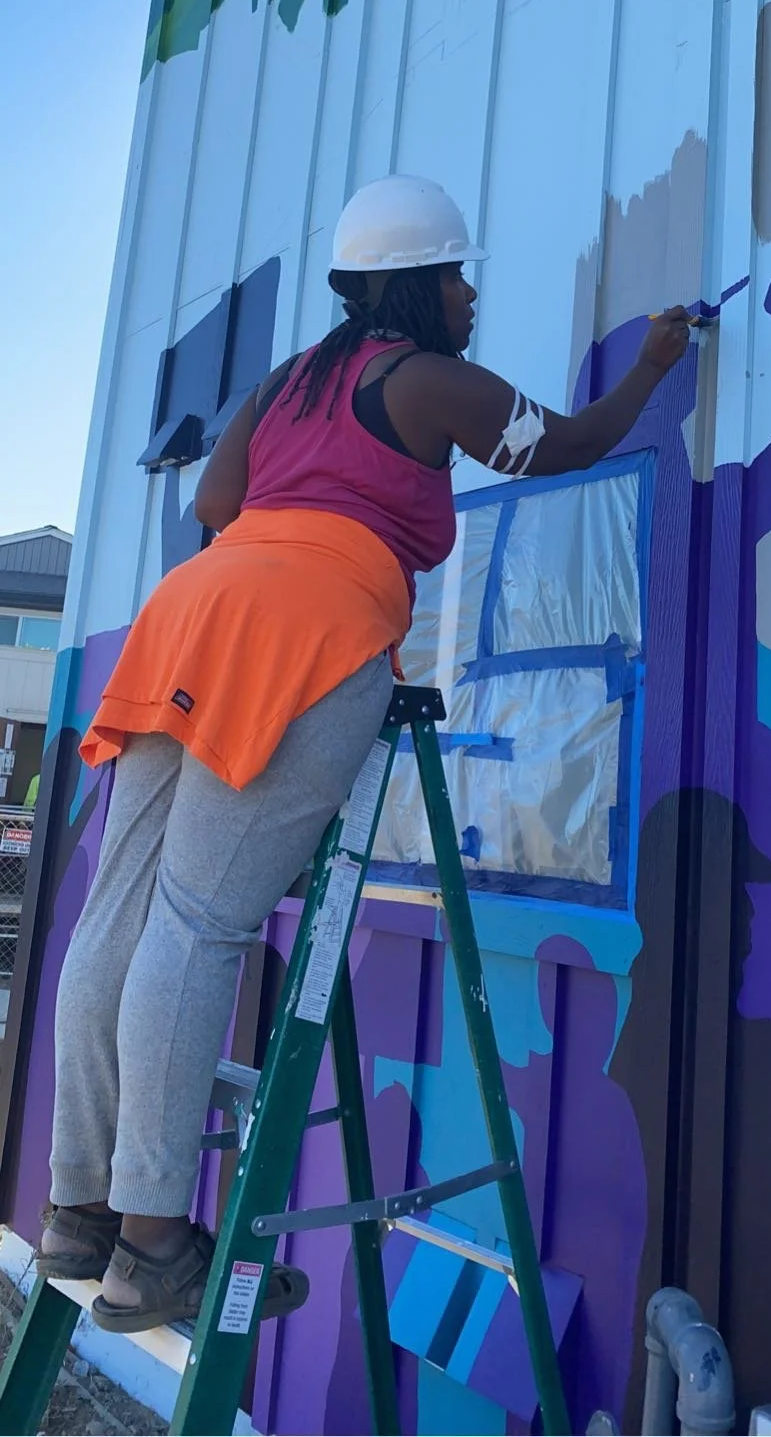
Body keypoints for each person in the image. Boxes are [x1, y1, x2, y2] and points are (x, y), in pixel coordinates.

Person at [38, 175, 689, 1332]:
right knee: (196, 925)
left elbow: (216, 501)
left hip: (187, 617)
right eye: (457, 275)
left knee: (116, 917)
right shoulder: (427, 378)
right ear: (416, 283)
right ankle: (151, 1243)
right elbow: (572, 442)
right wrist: (651, 361)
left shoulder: (286, 380)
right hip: (309, 629)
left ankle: (76, 1212)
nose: (471, 295)